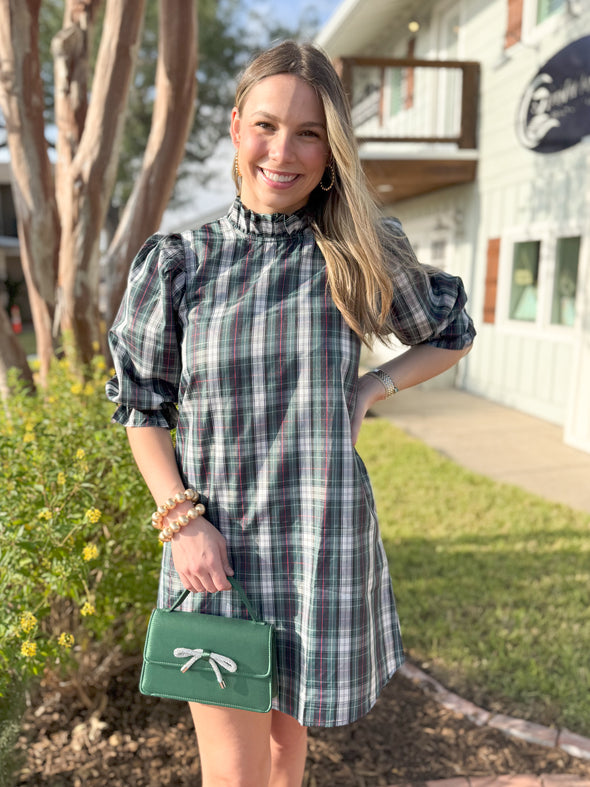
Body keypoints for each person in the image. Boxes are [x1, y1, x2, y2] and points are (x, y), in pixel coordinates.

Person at [106, 40, 475, 787]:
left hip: (320, 550)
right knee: (236, 776)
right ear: (237, 127)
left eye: (309, 133)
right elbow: (139, 403)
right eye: (268, 126)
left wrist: (372, 387)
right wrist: (180, 520)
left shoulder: (357, 249)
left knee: (284, 759)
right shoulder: (182, 262)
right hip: (217, 557)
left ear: (332, 150)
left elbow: (449, 333)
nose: (285, 151)